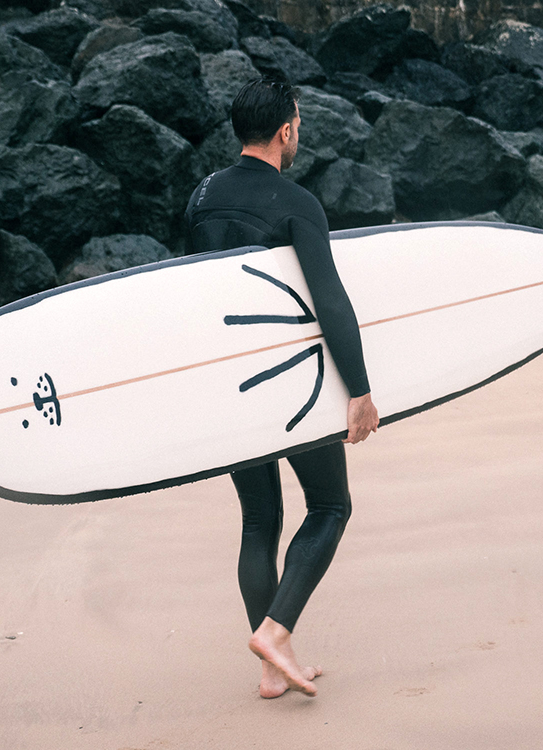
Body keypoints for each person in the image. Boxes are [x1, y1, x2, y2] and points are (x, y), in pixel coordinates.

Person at [184, 76, 379, 698]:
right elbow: (330, 301)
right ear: (286, 130)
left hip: (227, 383)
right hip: (290, 385)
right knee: (329, 507)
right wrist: (359, 389)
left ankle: (272, 670)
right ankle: (275, 632)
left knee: (259, 518)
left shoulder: (201, 198)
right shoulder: (297, 202)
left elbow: (190, 297)